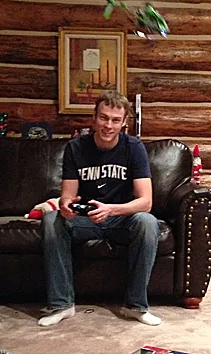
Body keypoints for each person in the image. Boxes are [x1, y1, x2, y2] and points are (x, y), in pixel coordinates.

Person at [39, 90, 161, 327]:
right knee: (52, 220)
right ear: (94, 118)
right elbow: (68, 195)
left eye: (116, 120)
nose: (108, 125)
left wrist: (111, 210)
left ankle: (135, 306)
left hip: (121, 219)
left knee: (147, 222)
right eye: (104, 118)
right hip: (85, 219)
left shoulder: (134, 148)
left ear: (124, 123)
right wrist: (66, 206)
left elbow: (145, 202)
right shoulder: (76, 148)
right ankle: (62, 304)